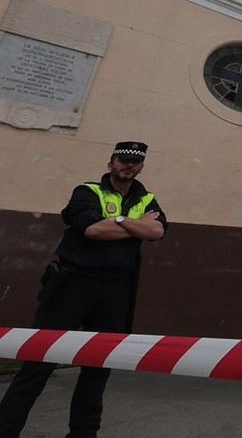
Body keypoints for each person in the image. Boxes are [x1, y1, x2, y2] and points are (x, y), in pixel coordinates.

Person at [0, 141, 166, 438]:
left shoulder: (146, 197)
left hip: (115, 292)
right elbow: (92, 230)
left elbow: (157, 230)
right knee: (38, 362)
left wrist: (118, 222)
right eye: (123, 160)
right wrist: (132, 224)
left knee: (99, 365)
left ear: (141, 166)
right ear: (110, 163)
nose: (128, 165)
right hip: (73, 285)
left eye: (135, 162)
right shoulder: (87, 192)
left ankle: (83, 433)